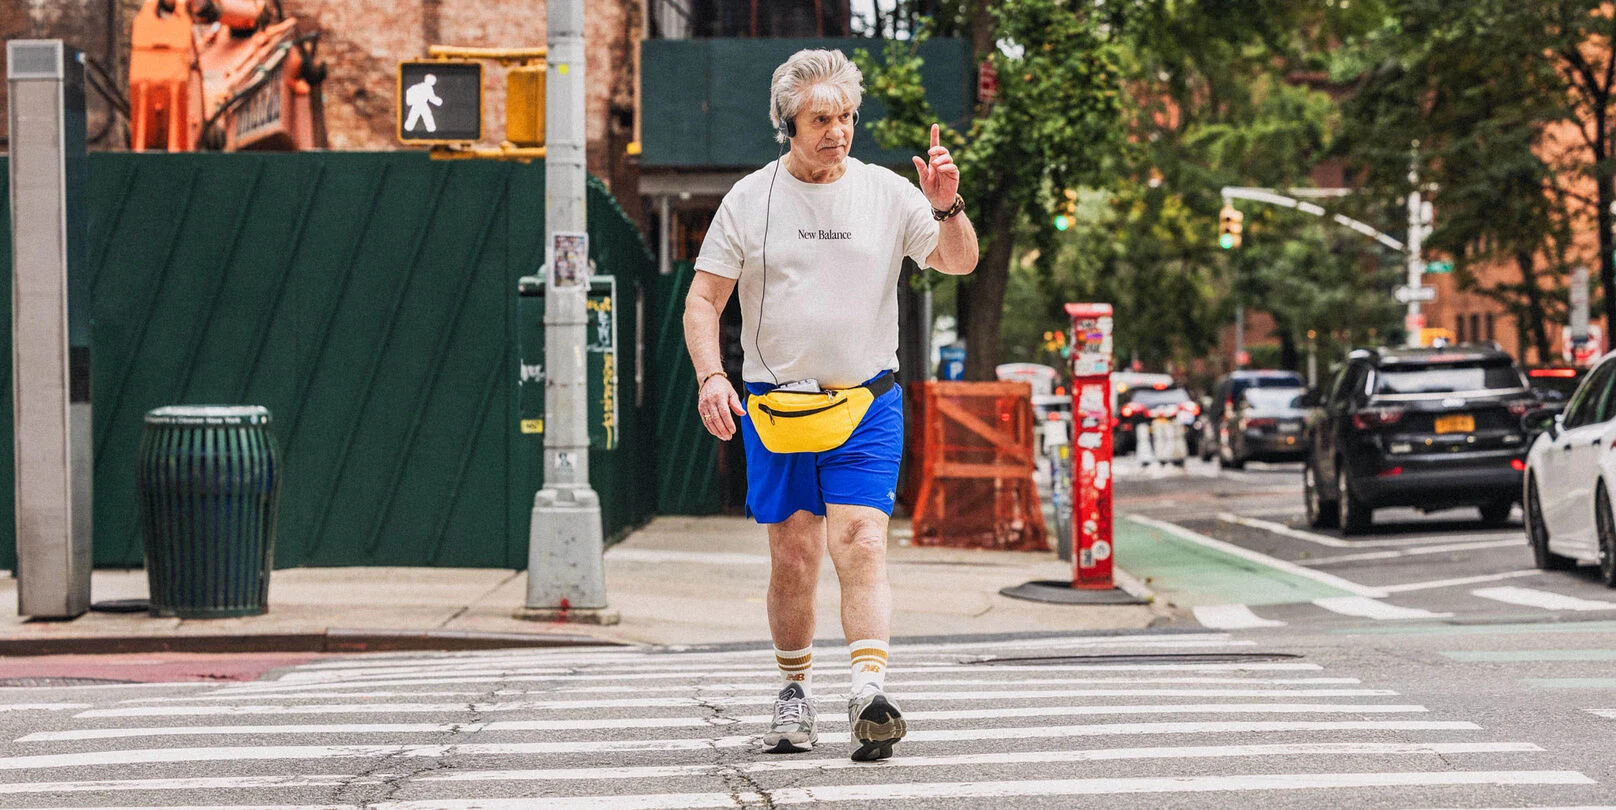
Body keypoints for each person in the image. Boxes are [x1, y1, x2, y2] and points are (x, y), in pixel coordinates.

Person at [682, 48, 978, 762]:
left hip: (867, 401)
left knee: (863, 541)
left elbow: (959, 260)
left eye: (846, 116)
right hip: (776, 409)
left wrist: (946, 202)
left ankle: (868, 690)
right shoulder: (749, 200)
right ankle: (794, 692)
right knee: (793, 555)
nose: (837, 131)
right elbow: (702, 299)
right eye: (821, 118)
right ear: (787, 121)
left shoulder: (885, 192)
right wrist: (711, 377)